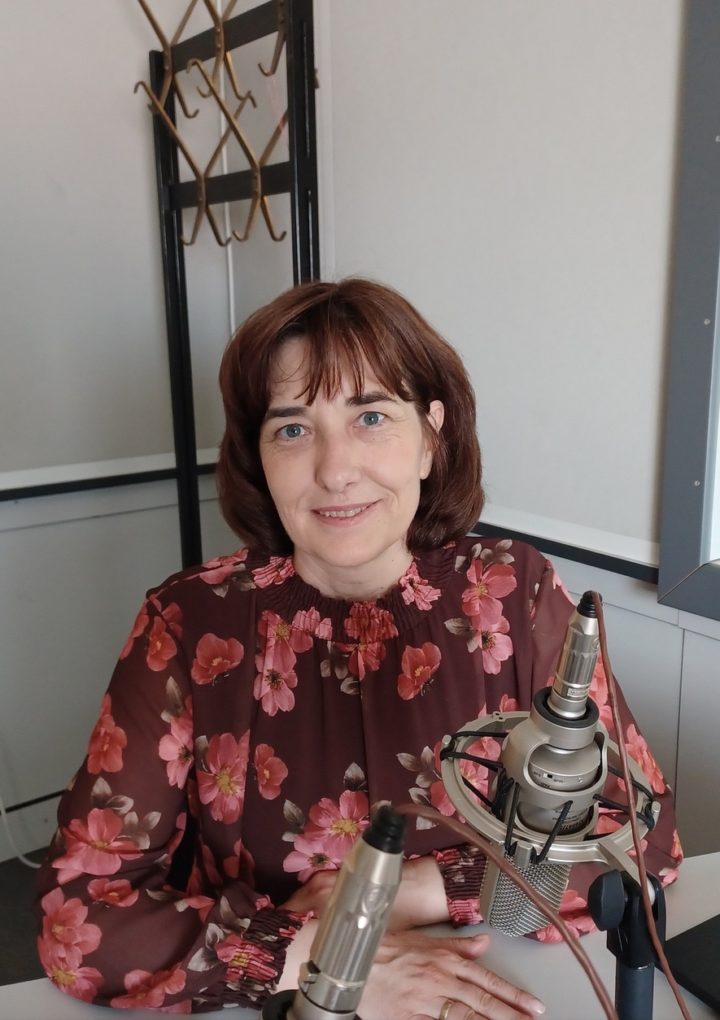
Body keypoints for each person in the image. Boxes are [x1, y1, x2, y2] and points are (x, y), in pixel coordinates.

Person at [35, 278, 682, 1019]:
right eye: (292, 429)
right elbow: (78, 924)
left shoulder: (512, 591)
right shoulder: (189, 621)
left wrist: (411, 892)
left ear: (431, 437)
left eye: (371, 416)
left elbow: (643, 837)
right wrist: (331, 955)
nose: (335, 469)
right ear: (259, 457)